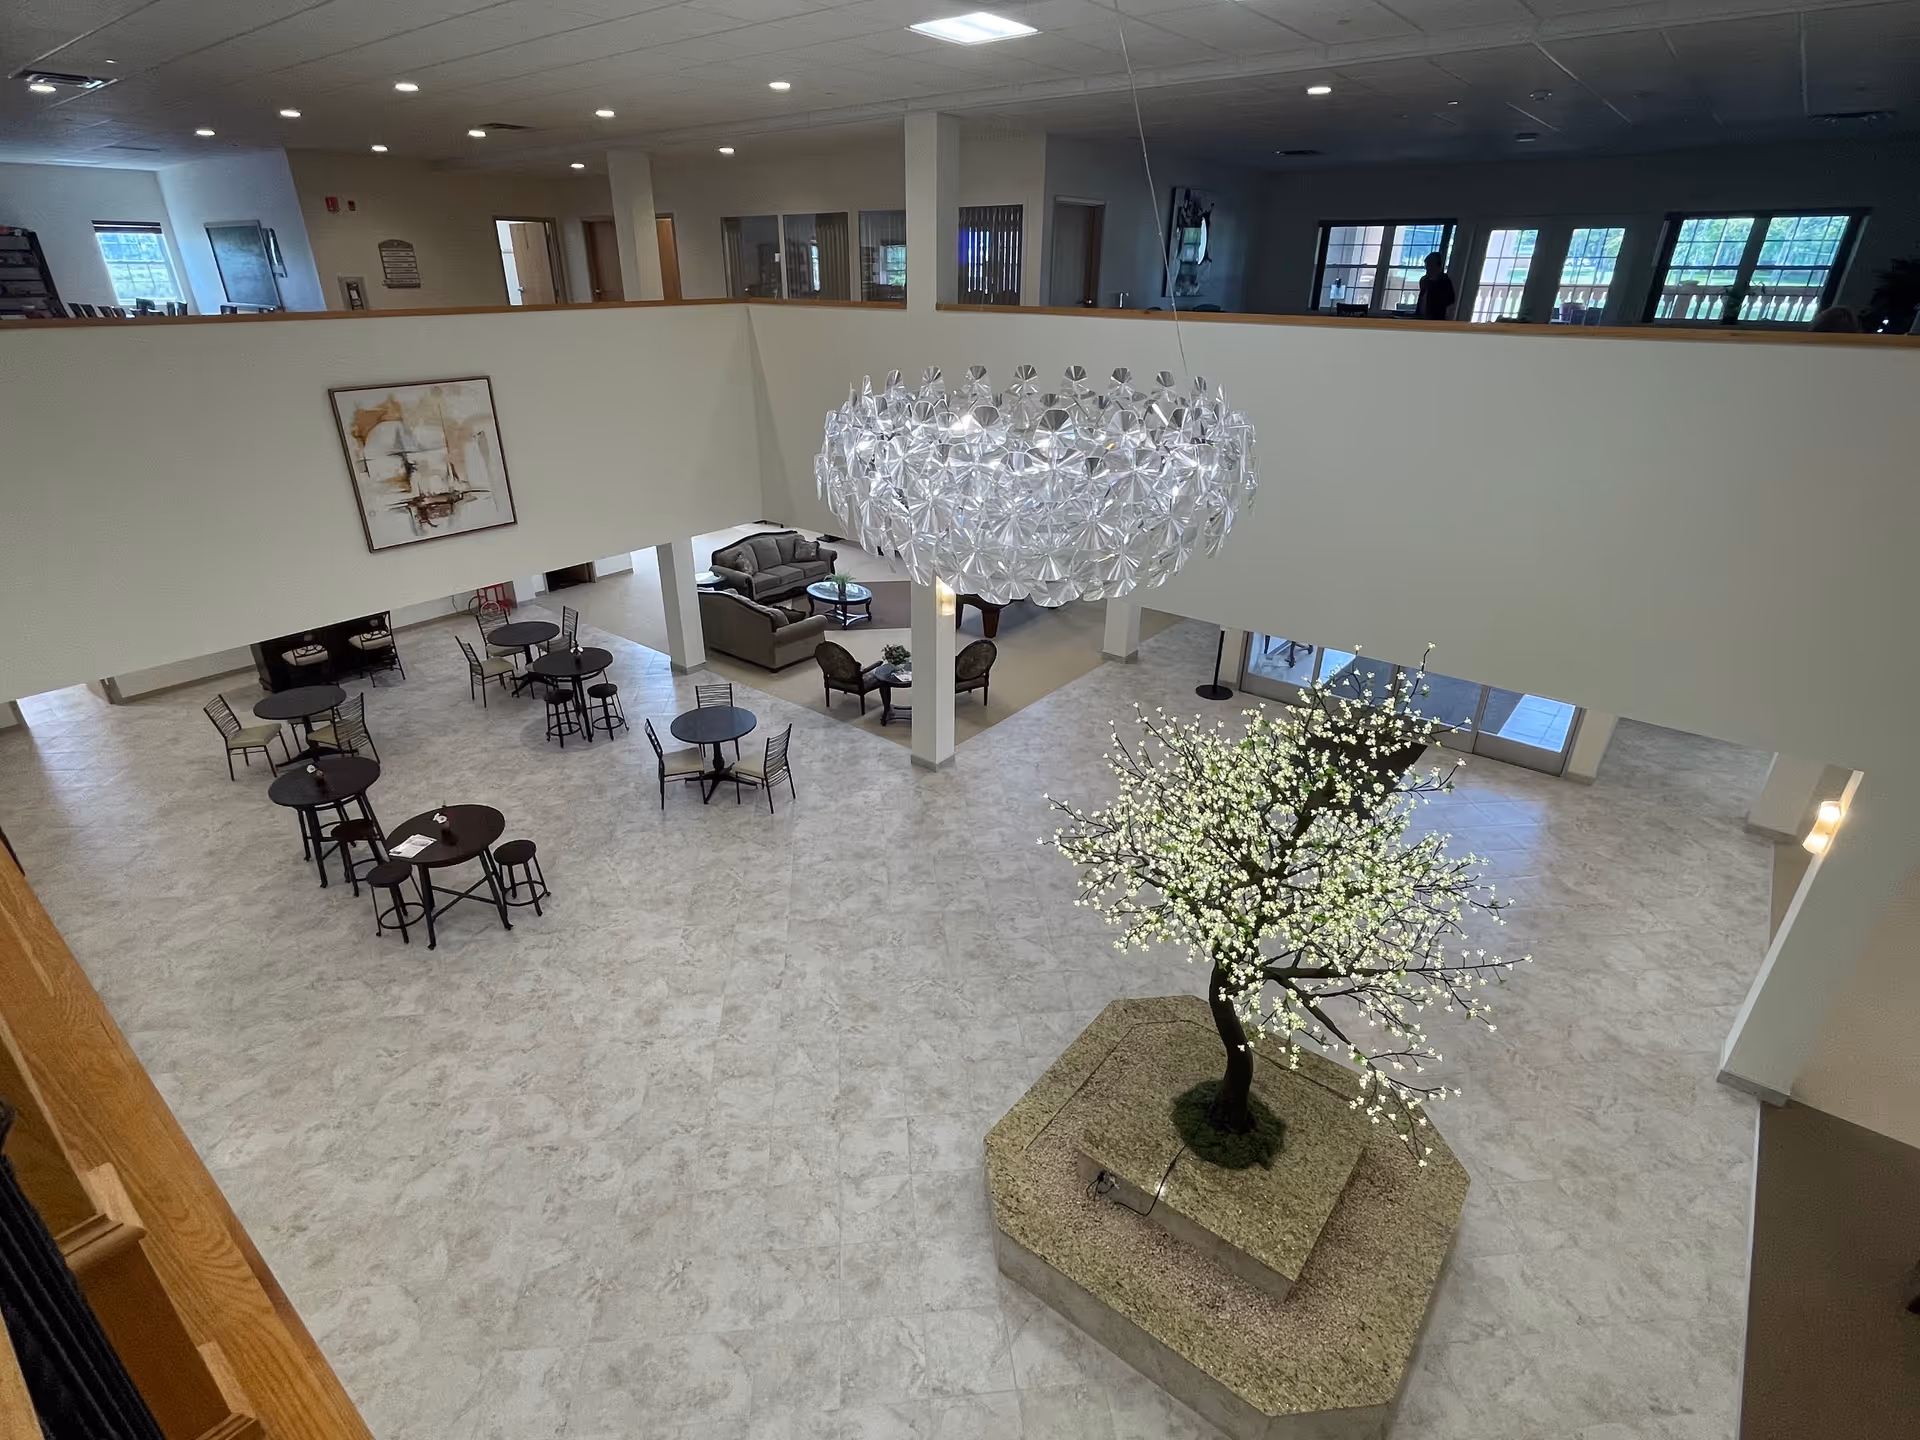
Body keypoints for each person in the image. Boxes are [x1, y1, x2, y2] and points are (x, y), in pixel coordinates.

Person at [1415, 253, 1456, 321]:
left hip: (1436, 318)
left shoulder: (1444, 281)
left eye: (1430, 265)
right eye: (1427, 265)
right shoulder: (1424, 280)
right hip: (1421, 317)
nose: (1428, 268)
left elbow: (1450, 300)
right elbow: (1422, 299)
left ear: (1437, 266)